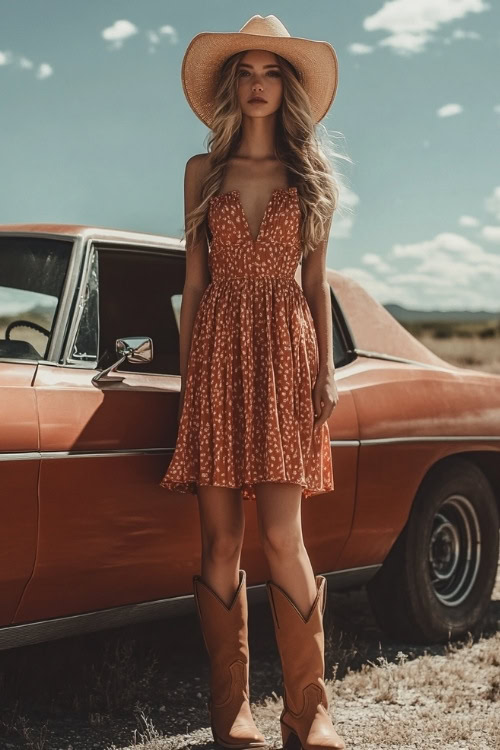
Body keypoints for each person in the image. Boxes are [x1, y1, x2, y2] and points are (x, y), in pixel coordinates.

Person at [160, 14, 346, 750]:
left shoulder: (311, 177)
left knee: (283, 535)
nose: (260, 84)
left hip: (286, 359)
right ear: (232, 86)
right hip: (216, 357)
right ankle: (231, 711)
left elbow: (316, 283)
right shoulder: (201, 174)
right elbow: (195, 285)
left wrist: (324, 373)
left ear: (288, 86)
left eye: (272, 73)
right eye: (248, 72)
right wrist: (187, 385)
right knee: (220, 539)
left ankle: (310, 712)